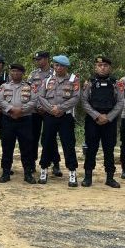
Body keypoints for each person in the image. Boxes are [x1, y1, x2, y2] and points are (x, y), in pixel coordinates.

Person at [37, 55, 80, 187]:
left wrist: (60, 108)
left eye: (61, 65)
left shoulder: (74, 79)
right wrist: (51, 109)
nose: (58, 67)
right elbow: (40, 96)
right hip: (50, 116)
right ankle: (44, 169)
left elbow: (76, 97)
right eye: (56, 65)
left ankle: (72, 172)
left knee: (68, 144)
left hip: (65, 117)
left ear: (66, 67)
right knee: (47, 142)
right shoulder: (47, 79)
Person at [81, 56, 123, 188]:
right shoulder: (90, 83)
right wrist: (97, 115)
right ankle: (88, 177)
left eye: (105, 65)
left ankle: (110, 178)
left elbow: (120, 102)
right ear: (95, 67)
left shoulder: (116, 83)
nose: (102, 67)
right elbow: (84, 101)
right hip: (93, 120)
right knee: (91, 149)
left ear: (110, 67)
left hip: (110, 121)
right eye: (100, 65)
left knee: (109, 149)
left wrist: (109, 117)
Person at [0, 63, 37, 183]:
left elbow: (34, 100)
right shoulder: (4, 86)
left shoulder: (30, 86)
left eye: (18, 71)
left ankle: (28, 173)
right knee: (7, 147)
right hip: (8, 119)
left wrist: (21, 110)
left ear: (22, 73)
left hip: (25, 120)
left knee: (26, 147)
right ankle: (5, 173)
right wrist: (11, 109)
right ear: (10, 73)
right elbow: (0, 99)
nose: (15, 73)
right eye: (13, 71)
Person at [28, 51, 62, 177]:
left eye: (40, 59)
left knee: (50, 138)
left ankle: (55, 164)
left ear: (47, 59)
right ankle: (31, 164)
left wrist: (47, 107)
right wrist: (37, 107)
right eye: (36, 59)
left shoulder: (55, 73)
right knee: (33, 137)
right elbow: (29, 91)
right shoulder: (33, 74)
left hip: (50, 110)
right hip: (35, 110)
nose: (37, 61)